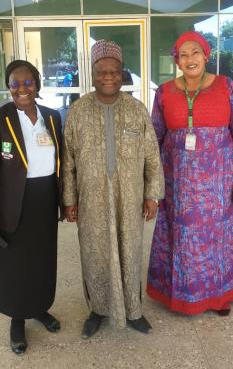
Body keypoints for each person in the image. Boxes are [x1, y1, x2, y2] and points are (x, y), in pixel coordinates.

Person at [62, 39, 164, 338]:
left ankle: (134, 310)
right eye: (102, 71)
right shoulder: (78, 111)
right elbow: (67, 159)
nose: (109, 76)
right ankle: (97, 310)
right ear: (92, 73)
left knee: (130, 251)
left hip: (129, 198)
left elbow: (151, 156)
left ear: (123, 73)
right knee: (94, 255)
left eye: (115, 70)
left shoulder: (136, 109)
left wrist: (151, 194)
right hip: (91, 199)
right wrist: (69, 199)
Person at [147, 31, 233, 316]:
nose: (189, 59)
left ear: (206, 55)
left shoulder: (226, 87)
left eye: (195, 52)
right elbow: (154, 138)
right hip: (178, 187)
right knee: (181, 240)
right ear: (177, 61)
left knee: (216, 241)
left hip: (218, 187)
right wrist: (151, 182)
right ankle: (177, 295)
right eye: (182, 55)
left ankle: (218, 298)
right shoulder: (165, 92)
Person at [0, 60, 62, 354]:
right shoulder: (2, 117)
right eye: (15, 83)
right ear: (8, 86)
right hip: (13, 203)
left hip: (45, 199)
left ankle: (39, 307)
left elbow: (61, 160)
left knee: (42, 258)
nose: (21, 89)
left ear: (37, 84)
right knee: (16, 264)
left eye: (27, 83)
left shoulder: (51, 117)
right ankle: (17, 318)